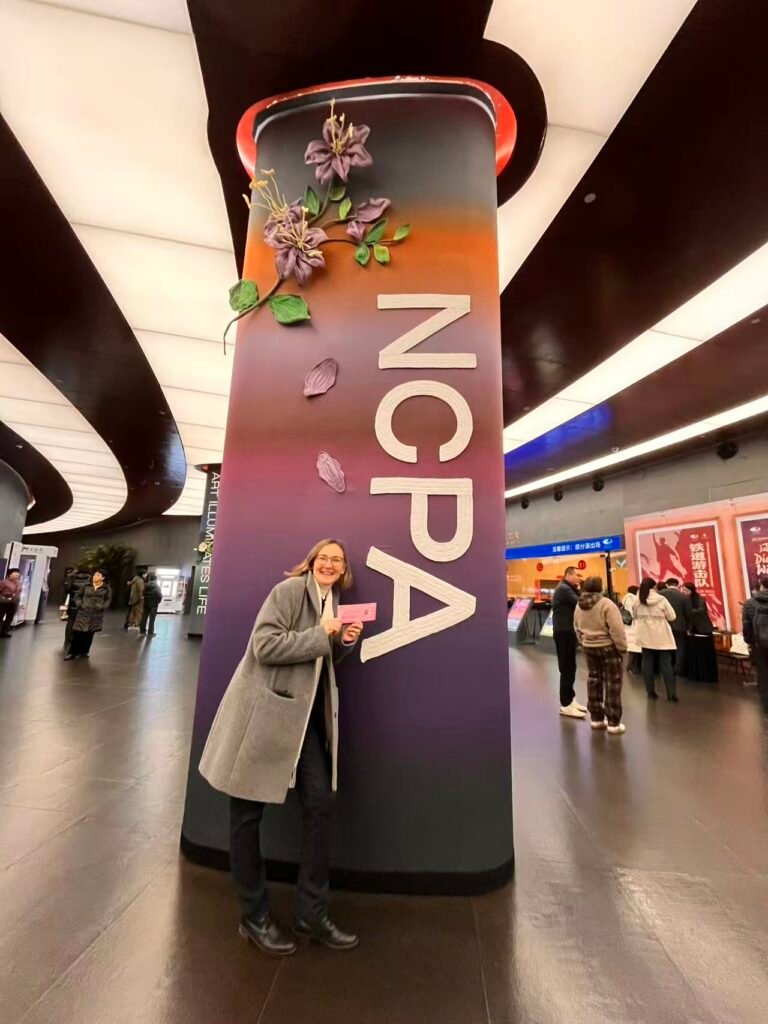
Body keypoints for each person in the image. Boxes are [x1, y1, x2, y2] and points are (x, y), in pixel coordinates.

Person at [199, 539, 364, 957]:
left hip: (302, 724)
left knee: (320, 805)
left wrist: (342, 642)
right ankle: (253, 917)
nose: (329, 564)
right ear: (311, 563)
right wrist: (321, 634)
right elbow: (265, 647)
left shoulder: (335, 602)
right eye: (323, 558)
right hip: (263, 718)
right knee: (246, 815)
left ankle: (311, 913)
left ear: (344, 571)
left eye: (337, 560)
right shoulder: (288, 591)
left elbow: (316, 664)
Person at [574, 577, 628, 734]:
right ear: (600, 587)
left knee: (594, 681)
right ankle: (613, 723)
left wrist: (584, 642)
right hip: (608, 648)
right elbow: (617, 629)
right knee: (613, 683)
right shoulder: (607, 604)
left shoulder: (579, 605)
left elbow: (576, 627)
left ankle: (596, 719)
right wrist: (622, 648)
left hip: (589, 647)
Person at [634, 578, 678, 701]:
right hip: (662, 634)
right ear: (654, 587)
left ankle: (650, 692)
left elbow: (634, 615)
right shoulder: (661, 599)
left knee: (647, 661)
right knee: (666, 663)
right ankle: (671, 694)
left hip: (645, 634)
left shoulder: (638, 600)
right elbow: (672, 616)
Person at [552, 566, 587, 718]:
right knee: (566, 667)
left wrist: (579, 586)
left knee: (571, 667)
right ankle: (565, 704)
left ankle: (570, 698)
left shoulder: (569, 588)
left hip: (568, 631)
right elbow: (582, 602)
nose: (579, 578)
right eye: (577, 575)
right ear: (568, 574)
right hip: (563, 632)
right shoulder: (564, 589)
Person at [65, 570, 112, 659]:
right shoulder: (86, 586)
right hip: (83, 611)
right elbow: (78, 596)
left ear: (102, 578)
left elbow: (108, 600)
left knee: (89, 634)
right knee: (78, 632)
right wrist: (79, 604)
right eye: (95, 574)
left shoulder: (106, 588)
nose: (95, 576)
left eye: (98, 575)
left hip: (96, 614)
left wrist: (102, 607)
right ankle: (72, 653)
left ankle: (84, 652)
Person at [681, 582, 718, 682]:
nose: (684, 592)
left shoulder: (700, 599)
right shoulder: (684, 600)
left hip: (703, 630)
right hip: (691, 631)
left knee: (705, 654)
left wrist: (689, 611)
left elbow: (701, 610)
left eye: (686, 590)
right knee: (694, 653)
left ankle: (706, 675)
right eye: (683, 590)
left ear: (692, 590)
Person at [742, 574, 768, 713]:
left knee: (763, 673)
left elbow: (747, 626)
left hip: (759, 644)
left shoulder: (750, 603)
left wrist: (749, 641)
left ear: (761, 585)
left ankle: (766, 704)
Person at [657, 578, 692, 675]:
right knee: (680, 647)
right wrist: (688, 627)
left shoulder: (660, 594)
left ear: (667, 584)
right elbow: (689, 614)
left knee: (664, 647)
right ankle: (678, 669)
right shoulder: (684, 597)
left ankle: (664, 668)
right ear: (677, 585)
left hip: (663, 625)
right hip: (680, 626)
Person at [63, 566, 92, 651]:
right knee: (82, 622)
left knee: (70, 621)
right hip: (84, 603)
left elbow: (67, 589)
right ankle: (78, 641)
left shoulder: (72, 577)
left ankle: (68, 639)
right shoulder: (90, 578)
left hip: (73, 602)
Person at [0, 569, 22, 637]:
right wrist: (3, 598)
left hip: (14, 602)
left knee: (10, 617)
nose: (17, 574)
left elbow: (20, 591)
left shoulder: (19, 583)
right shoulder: (3, 582)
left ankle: (5, 632)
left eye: (18, 573)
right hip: (3, 602)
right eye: (15, 573)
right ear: (10, 574)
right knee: (0, 616)